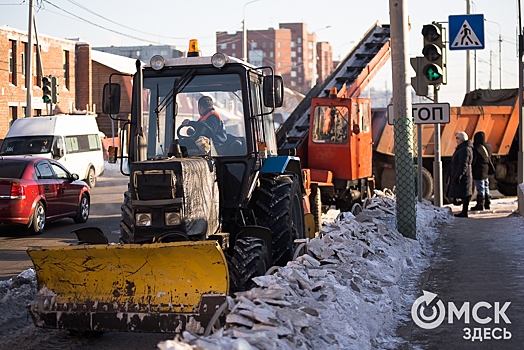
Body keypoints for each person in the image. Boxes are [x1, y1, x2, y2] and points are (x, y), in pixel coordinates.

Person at [447, 131, 473, 218]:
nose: (456, 141)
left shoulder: (464, 150)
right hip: (464, 175)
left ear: (462, 139)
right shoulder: (463, 149)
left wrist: (459, 175)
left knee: (465, 193)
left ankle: (464, 212)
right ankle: (463, 211)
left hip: (464, 176)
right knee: (463, 193)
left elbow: (463, 164)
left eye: (458, 139)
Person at [470, 131, 493, 210]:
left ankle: (480, 204)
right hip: (486, 168)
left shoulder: (476, 147)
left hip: (478, 169)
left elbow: (474, 160)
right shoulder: (488, 146)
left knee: (480, 187)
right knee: (486, 185)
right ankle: (487, 203)